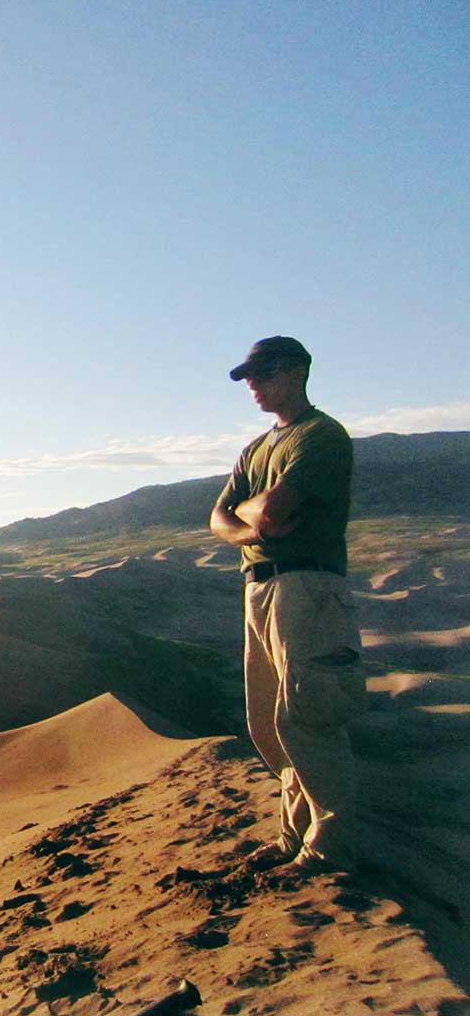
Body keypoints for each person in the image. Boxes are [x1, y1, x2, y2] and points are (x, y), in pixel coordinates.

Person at [208, 336, 366, 875]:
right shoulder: (255, 449)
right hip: (259, 586)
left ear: (297, 372)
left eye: (264, 373)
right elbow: (219, 520)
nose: (253, 384)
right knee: (267, 721)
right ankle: (293, 834)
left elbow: (270, 511)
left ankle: (330, 844)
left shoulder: (320, 436)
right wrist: (252, 524)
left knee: (310, 713)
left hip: (308, 588)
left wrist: (252, 517)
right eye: (249, 377)